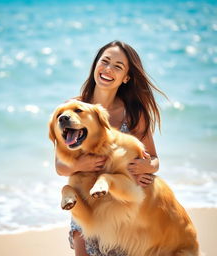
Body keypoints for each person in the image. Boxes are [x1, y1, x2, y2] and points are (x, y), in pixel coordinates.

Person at [55, 40, 166, 256]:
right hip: (85, 205)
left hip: (121, 212)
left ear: (126, 78)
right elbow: (60, 166)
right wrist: (81, 163)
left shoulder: (133, 113)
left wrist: (144, 167)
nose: (108, 69)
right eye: (104, 61)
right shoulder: (73, 109)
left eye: (118, 66)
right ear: (95, 64)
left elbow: (154, 161)